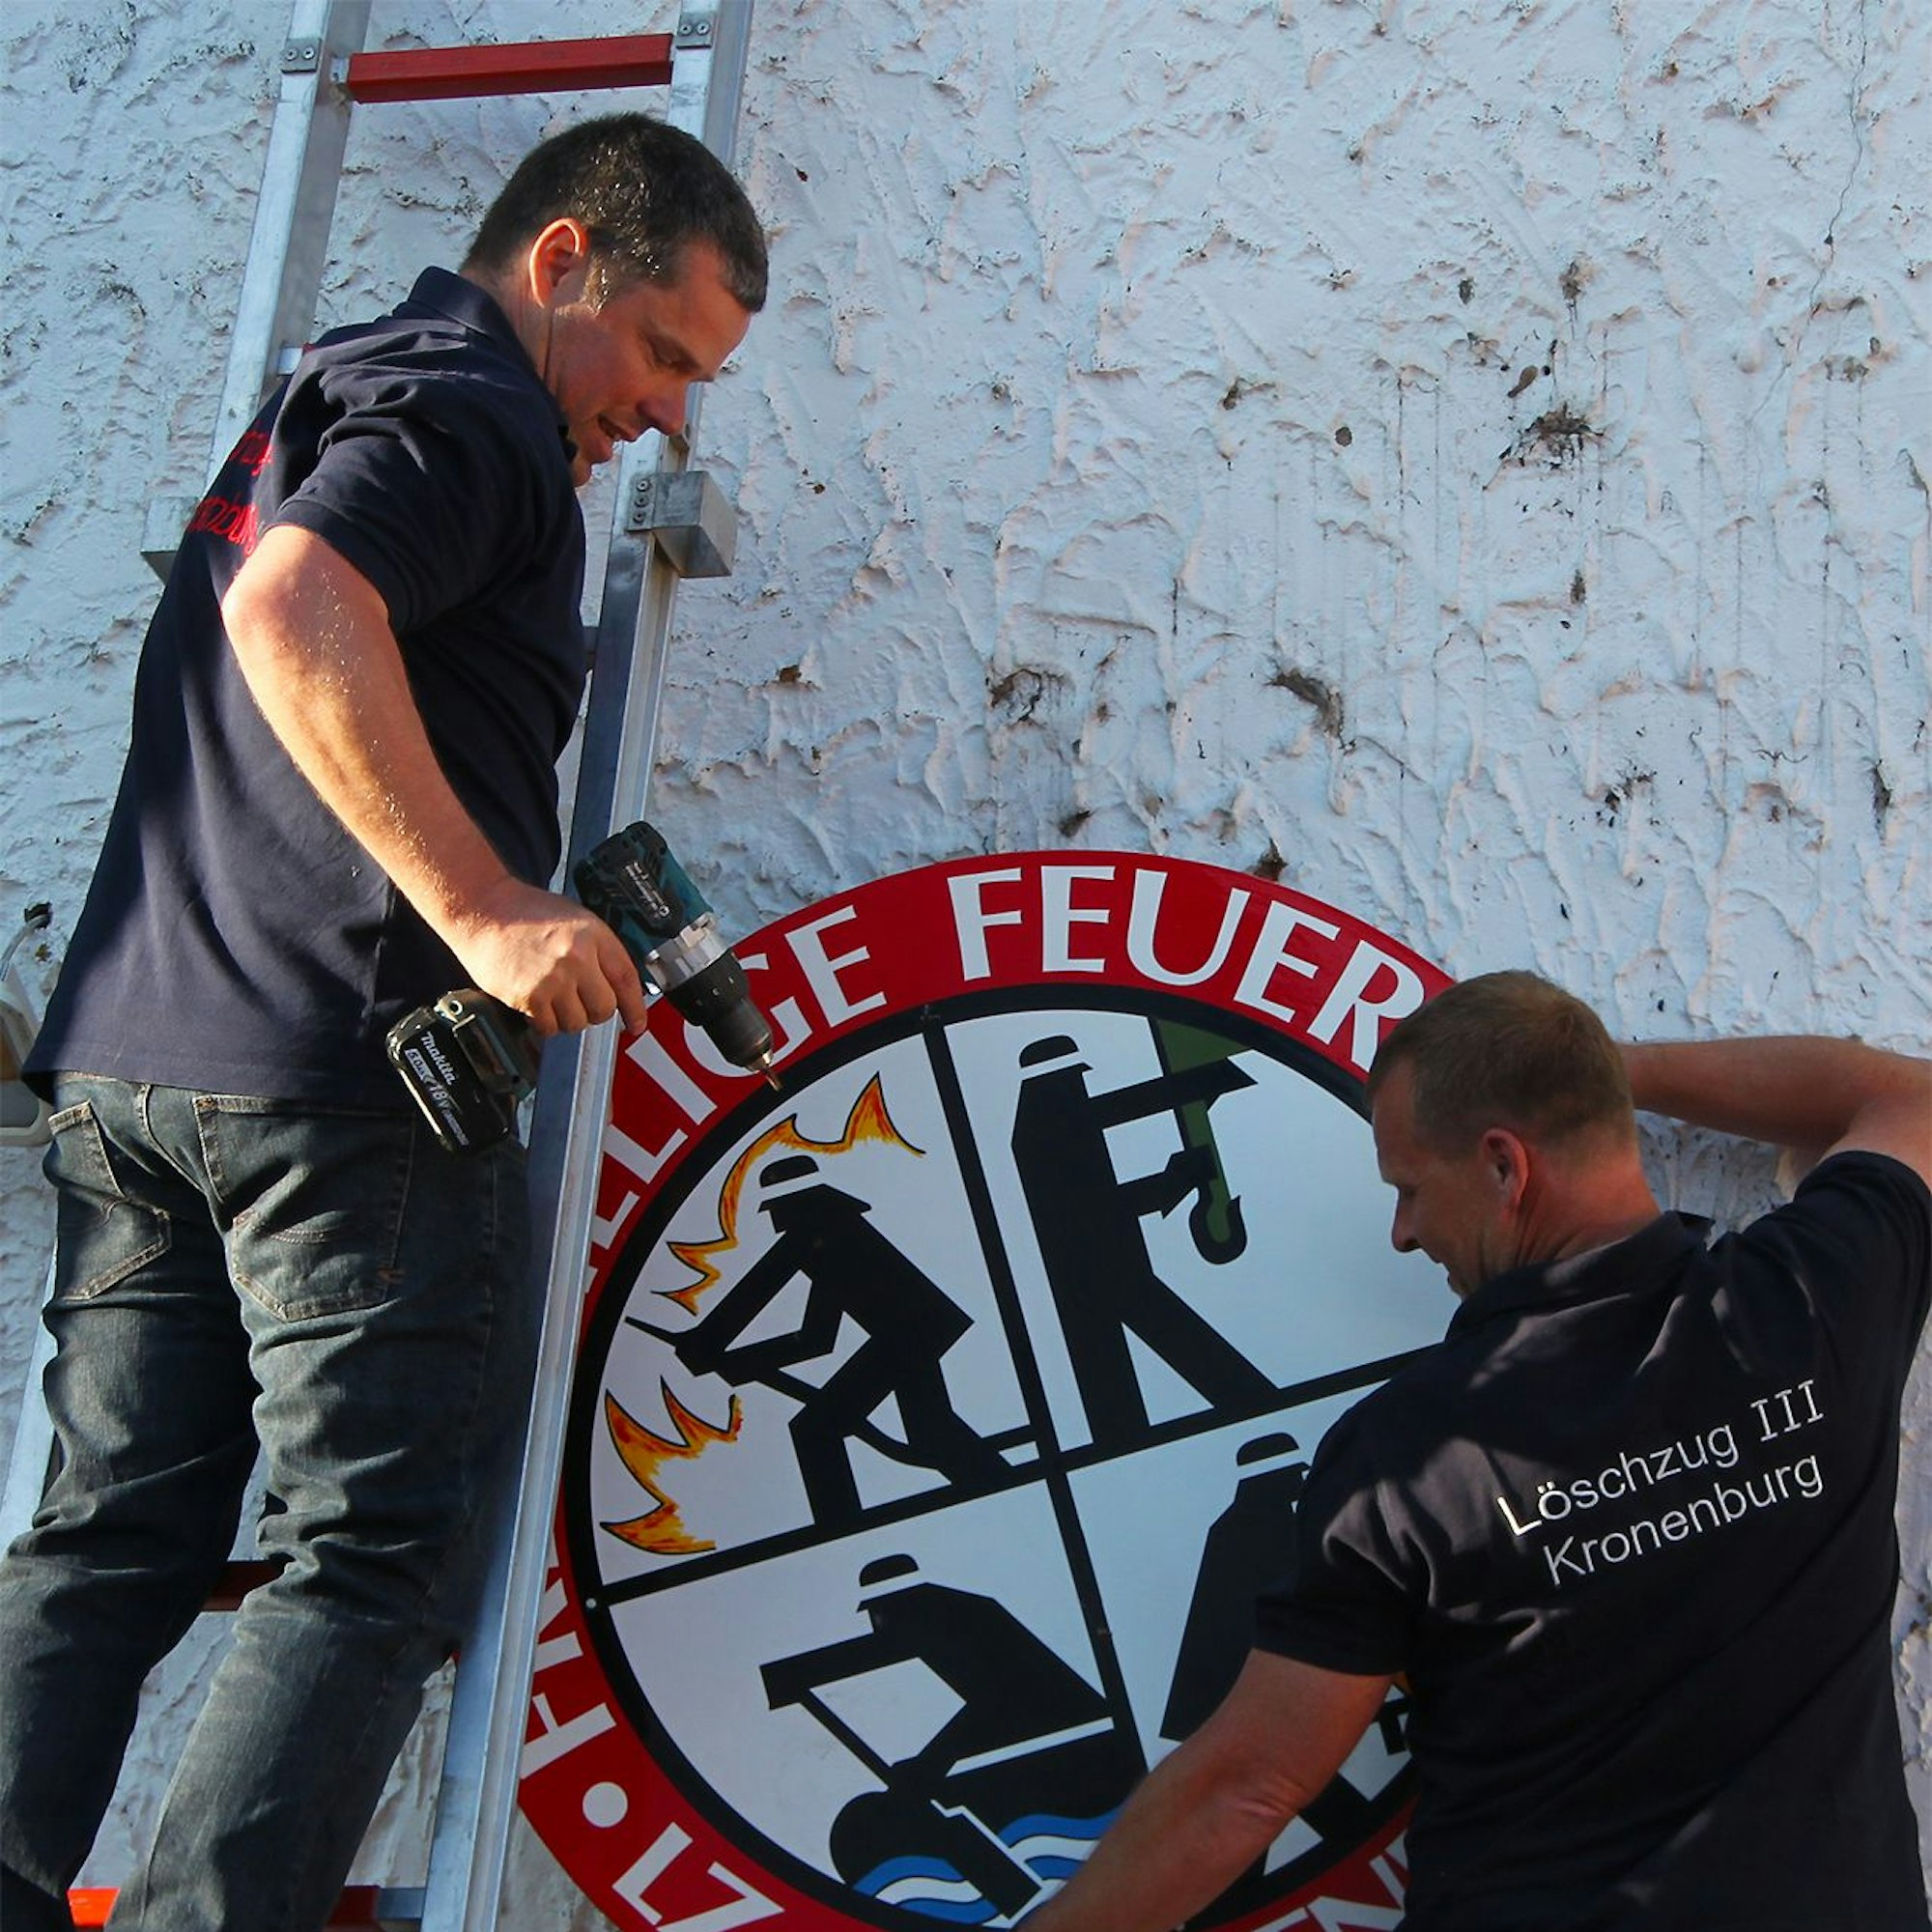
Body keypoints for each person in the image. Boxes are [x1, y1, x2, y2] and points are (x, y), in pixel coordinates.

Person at [0, 115, 766, 1932]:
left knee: (111, 1546)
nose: (667, 413)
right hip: (339, 1097)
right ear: (565, 261)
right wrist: (493, 911)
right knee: (370, 1558)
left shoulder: (343, 389)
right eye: (664, 352)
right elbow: (297, 601)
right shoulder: (481, 413)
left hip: (136, 1069)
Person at [1022, 970, 1932, 1932]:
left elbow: (1246, 1786)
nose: (1403, 1230)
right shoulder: (1808, 1301)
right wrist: (1604, 1076)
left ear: (1504, 1165)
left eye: (1409, 1186)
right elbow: (1906, 1096)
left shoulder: (1406, 1459)